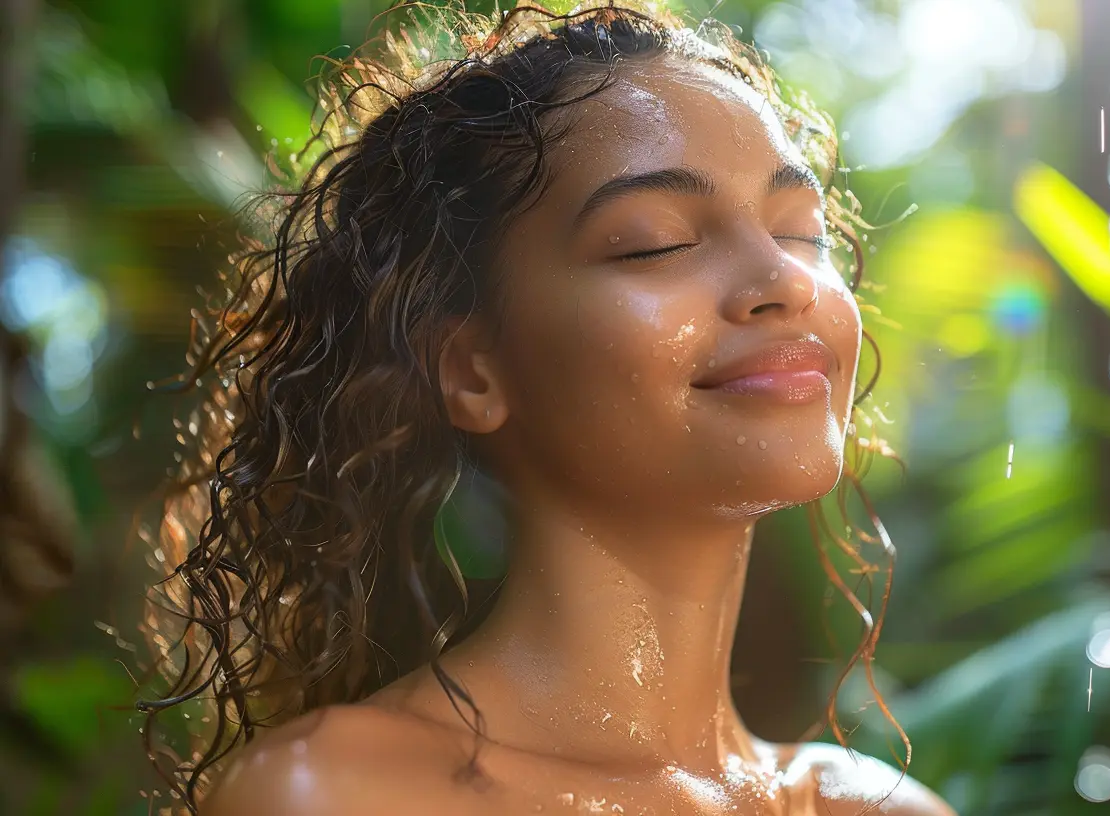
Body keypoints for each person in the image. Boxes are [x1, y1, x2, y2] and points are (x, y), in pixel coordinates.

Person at [138, 2, 953, 813]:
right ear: (472, 372)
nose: (787, 282)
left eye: (802, 234)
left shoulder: (881, 809)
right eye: (655, 243)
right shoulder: (346, 794)